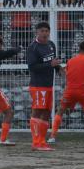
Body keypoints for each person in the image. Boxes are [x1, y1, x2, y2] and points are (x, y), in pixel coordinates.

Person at [26, 21, 61, 151]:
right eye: (42, 31)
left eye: (47, 31)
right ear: (37, 32)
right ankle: (36, 142)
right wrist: (50, 65)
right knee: (37, 111)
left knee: (46, 112)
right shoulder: (33, 48)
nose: (45, 33)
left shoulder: (51, 45)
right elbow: (32, 67)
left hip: (48, 85)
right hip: (38, 85)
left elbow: (54, 62)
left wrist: (59, 69)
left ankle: (42, 141)